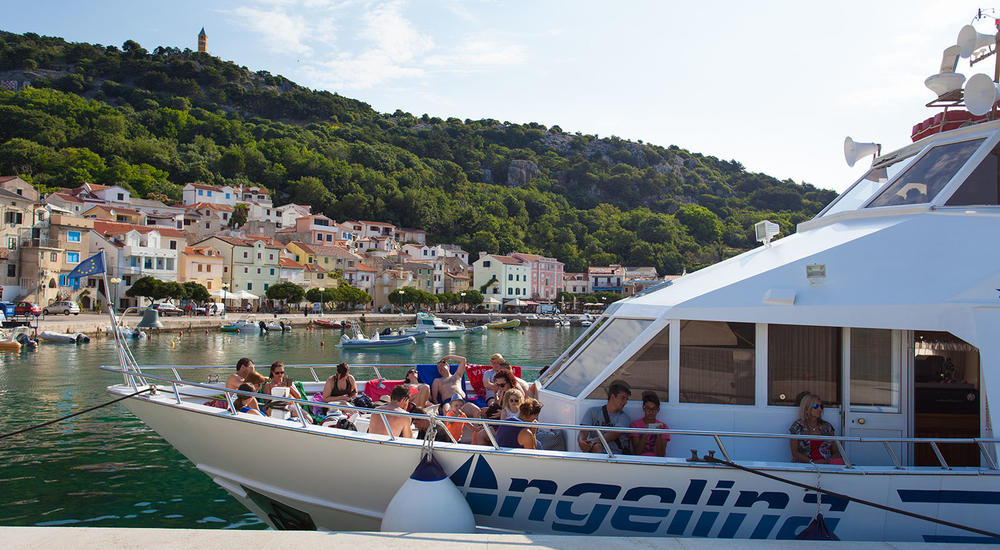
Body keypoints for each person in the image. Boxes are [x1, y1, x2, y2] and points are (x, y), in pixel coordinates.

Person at [578, 380, 633, 454]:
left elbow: (613, 434)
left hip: (615, 455)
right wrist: (581, 441)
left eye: (626, 399)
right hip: (594, 450)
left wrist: (592, 442)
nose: (625, 402)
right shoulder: (593, 411)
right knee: (597, 446)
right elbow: (583, 430)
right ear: (613, 397)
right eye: (623, 398)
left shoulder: (624, 418)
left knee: (597, 446)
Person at [789, 393, 844, 464]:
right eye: (816, 406)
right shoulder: (797, 427)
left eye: (821, 406)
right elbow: (795, 453)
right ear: (806, 408)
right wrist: (813, 462)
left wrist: (828, 461)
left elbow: (836, 452)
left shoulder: (827, 427)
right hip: (806, 464)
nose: (820, 409)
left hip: (826, 464)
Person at [629, 391, 669, 457]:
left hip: (657, 463)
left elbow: (661, 455)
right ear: (643, 409)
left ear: (658, 410)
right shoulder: (635, 425)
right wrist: (645, 433)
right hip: (640, 461)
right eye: (648, 408)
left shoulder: (663, 427)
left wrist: (659, 434)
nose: (651, 412)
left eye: (654, 409)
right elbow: (637, 453)